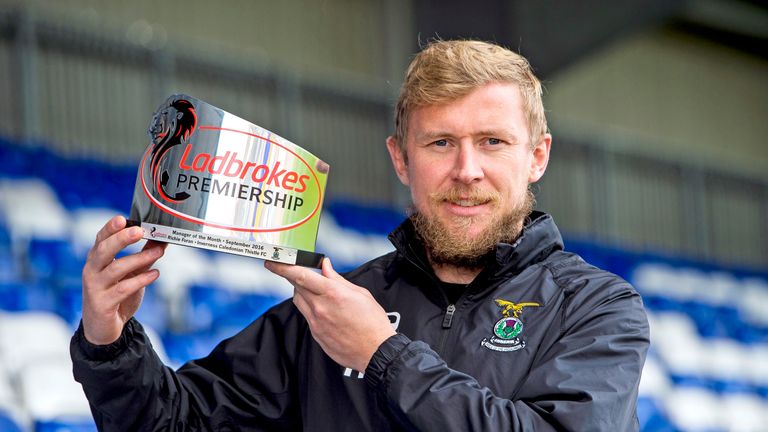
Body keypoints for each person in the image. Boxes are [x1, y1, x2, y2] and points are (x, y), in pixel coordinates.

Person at [71, 40, 650, 431]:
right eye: (440, 143)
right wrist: (108, 344)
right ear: (402, 160)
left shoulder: (598, 309)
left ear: (537, 157)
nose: (467, 170)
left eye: (493, 142)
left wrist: (382, 356)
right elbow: (179, 421)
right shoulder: (334, 309)